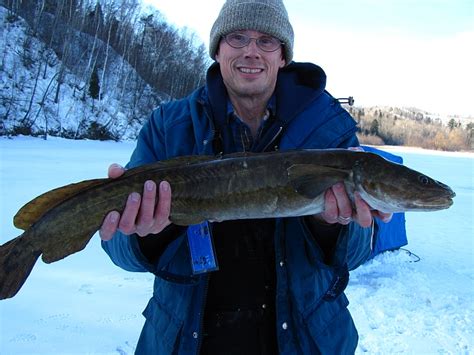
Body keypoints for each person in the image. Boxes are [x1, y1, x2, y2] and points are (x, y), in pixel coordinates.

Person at [100, 0, 392, 353]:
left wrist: (330, 225)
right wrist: (145, 237)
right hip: (187, 342)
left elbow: (356, 254)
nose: (251, 51)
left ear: (283, 56)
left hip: (301, 341)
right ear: (217, 49)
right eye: (237, 38)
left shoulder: (329, 134)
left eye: (267, 41)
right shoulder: (168, 127)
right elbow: (118, 249)